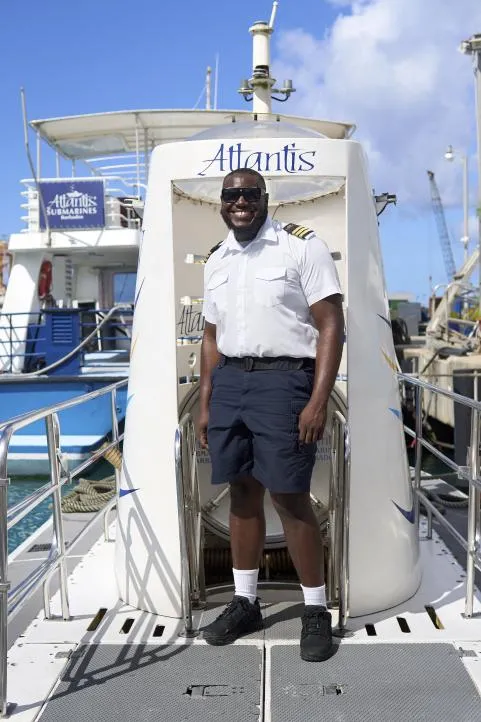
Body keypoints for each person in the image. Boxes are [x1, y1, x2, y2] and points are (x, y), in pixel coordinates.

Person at [197, 168, 344, 662]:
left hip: (284, 381)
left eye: (249, 194)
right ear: (222, 202)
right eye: (231, 195)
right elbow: (211, 337)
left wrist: (318, 399)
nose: (240, 201)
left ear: (265, 199)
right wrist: (205, 400)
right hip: (230, 382)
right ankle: (245, 603)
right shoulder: (217, 258)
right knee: (240, 491)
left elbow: (330, 324)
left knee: (289, 495)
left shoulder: (301, 247)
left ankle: (315, 611)